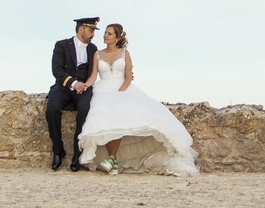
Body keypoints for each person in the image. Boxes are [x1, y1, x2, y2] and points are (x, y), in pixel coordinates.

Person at [76, 23, 198, 175]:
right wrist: (84, 85)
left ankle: (112, 159)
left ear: (117, 37)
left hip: (123, 89)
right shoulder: (97, 54)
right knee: (106, 121)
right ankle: (112, 161)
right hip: (103, 91)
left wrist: (120, 92)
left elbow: (128, 77)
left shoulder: (125, 53)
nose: (105, 36)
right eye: (105, 33)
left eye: (109, 34)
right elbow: (93, 75)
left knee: (121, 120)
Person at [46, 17, 99, 171]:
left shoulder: (93, 49)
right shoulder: (61, 45)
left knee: (84, 110)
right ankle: (58, 150)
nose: (93, 34)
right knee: (52, 108)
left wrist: (83, 86)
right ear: (81, 29)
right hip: (63, 87)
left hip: (83, 89)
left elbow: (96, 70)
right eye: (91, 30)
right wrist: (73, 84)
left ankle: (77, 155)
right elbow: (57, 71)